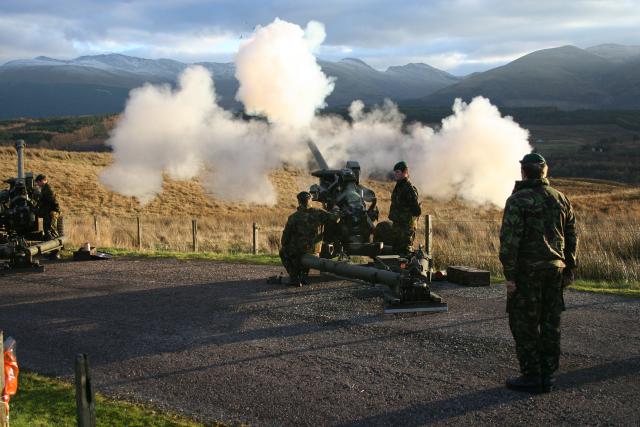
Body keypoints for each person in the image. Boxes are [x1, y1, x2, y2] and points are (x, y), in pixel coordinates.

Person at [499, 153, 578, 393]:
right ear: (544, 172)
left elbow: (510, 241)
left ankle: (532, 375)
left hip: (527, 273)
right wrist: (569, 268)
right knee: (550, 322)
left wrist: (510, 276)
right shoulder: (561, 199)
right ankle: (548, 375)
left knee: (524, 323)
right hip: (555, 270)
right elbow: (572, 237)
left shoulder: (518, 200)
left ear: (524, 172)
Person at [280, 191, 339, 286]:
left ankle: (294, 277)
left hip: (300, 250)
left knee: (283, 251)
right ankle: (303, 275)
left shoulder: (293, 217)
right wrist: (336, 208)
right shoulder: (319, 213)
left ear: (299, 202)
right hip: (315, 250)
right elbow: (334, 218)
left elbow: (284, 239)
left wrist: (287, 244)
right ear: (310, 200)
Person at [388, 161, 421, 256]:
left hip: (405, 227)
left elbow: (417, 210)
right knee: (396, 250)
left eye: (397, 172)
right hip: (397, 224)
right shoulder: (399, 186)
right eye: (395, 172)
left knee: (405, 251)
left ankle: (405, 270)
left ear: (405, 172)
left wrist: (408, 220)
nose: (395, 174)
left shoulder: (409, 188)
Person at [35, 174, 61, 240]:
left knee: (51, 230)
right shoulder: (45, 189)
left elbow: (53, 201)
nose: (38, 184)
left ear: (43, 181)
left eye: (38, 182)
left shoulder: (48, 189)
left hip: (51, 212)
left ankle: (56, 243)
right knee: (47, 229)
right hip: (48, 212)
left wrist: (55, 211)